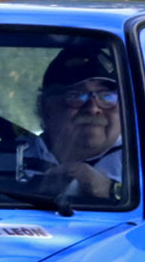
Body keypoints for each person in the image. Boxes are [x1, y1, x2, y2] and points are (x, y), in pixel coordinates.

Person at [21, 43, 125, 201]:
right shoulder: (13, 156)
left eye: (106, 96)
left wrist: (112, 190)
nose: (93, 108)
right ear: (46, 107)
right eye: (76, 95)